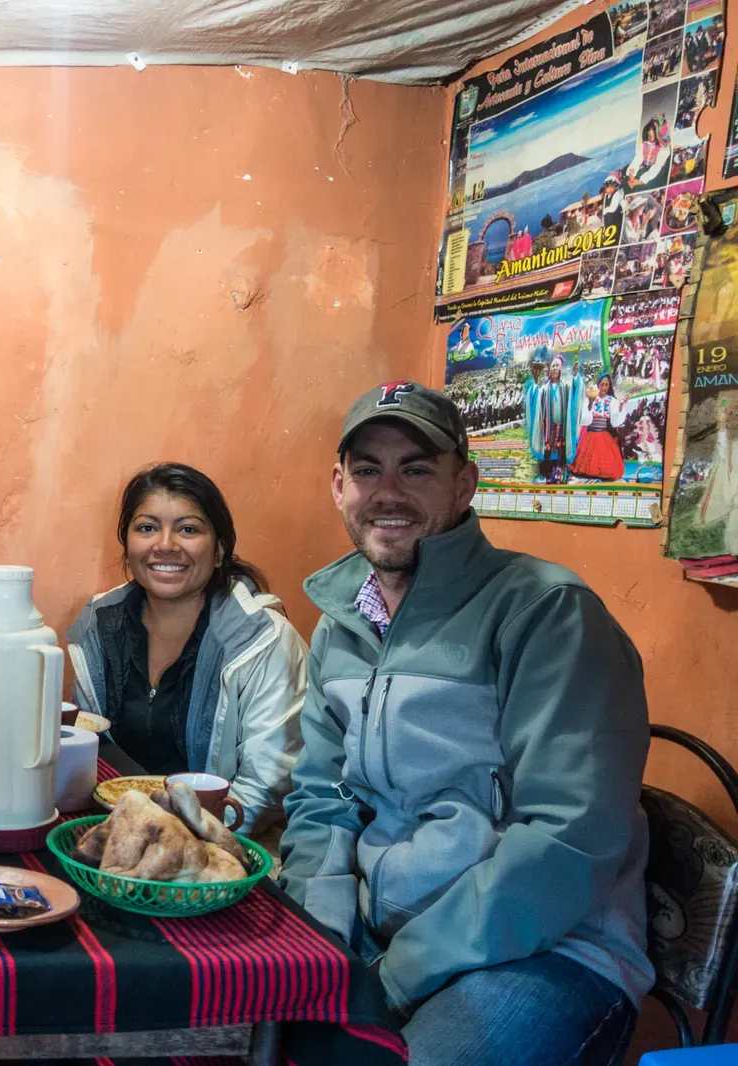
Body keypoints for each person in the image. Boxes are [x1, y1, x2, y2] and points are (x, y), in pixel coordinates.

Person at [280, 381, 650, 1066]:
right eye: (368, 469)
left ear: (464, 484)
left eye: (416, 468)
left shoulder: (548, 614)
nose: (388, 492)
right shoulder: (343, 625)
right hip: (378, 935)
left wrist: (392, 977)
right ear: (339, 486)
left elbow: (565, 843)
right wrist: (322, 943)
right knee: (215, 1021)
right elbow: (323, 796)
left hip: (546, 952)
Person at [65, 463, 307, 835]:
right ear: (127, 544)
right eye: (147, 527)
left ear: (220, 548)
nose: (165, 545)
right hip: (114, 831)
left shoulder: (263, 639)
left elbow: (264, 788)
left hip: (219, 846)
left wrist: (175, 844)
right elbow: (93, 751)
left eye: (188, 529)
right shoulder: (99, 626)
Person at [527, 355, 585, 483]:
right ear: (549, 370)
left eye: (557, 366)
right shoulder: (543, 389)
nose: (554, 368)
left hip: (562, 427)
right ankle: (546, 475)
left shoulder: (566, 387)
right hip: (547, 427)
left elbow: (577, 391)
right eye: (552, 366)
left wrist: (575, 376)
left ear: (561, 369)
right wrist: (535, 383)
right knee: (548, 451)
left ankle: (560, 476)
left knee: (560, 451)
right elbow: (534, 398)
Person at [699, 395, 738, 555]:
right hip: (735, 500)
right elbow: (723, 451)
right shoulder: (732, 446)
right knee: (732, 532)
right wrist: (721, 421)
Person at [571, 374, 628, 481]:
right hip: (589, 435)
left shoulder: (611, 401)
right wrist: (589, 403)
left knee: (606, 464)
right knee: (584, 462)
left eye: (606, 385)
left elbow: (615, 421)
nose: (604, 388)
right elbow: (583, 417)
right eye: (602, 385)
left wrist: (621, 405)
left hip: (603, 435)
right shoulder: (590, 397)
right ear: (598, 385)